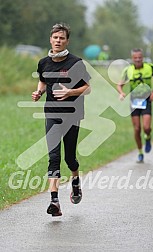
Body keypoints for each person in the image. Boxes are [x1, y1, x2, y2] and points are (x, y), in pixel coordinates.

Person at [32, 23, 91, 216]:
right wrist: (39, 91)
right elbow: (43, 79)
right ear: (50, 39)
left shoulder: (76, 63)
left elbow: (87, 88)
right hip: (52, 114)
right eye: (55, 37)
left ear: (67, 41)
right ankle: (54, 201)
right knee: (54, 157)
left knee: (69, 158)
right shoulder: (43, 62)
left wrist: (70, 92)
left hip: (72, 115)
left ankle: (75, 181)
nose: (58, 41)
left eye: (62, 38)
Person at [117, 48, 153, 163]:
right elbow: (119, 85)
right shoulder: (128, 70)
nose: (138, 60)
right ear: (132, 58)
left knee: (146, 127)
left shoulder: (150, 67)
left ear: (142, 58)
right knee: (137, 129)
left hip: (146, 100)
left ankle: (148, 137)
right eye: (135, 58)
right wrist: (121, 93)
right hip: (134, 101)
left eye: (139, 57)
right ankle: (140, 152)